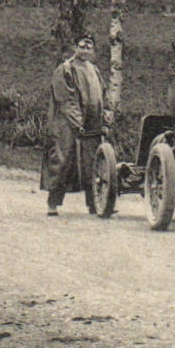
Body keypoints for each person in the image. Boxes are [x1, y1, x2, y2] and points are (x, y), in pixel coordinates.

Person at [40, 33, 105, 216]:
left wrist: (104, 119)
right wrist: (77, 122)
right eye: (82, 46)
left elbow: (103, 95)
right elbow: (65, 99)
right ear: (75, 48)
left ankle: (94, 204)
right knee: (62, 161)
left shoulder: (94, 70)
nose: (85, 50)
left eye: (89, 47)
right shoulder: (65, 69)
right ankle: (53, 203)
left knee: (92, 162)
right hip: (66, 124)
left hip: (91, 123)